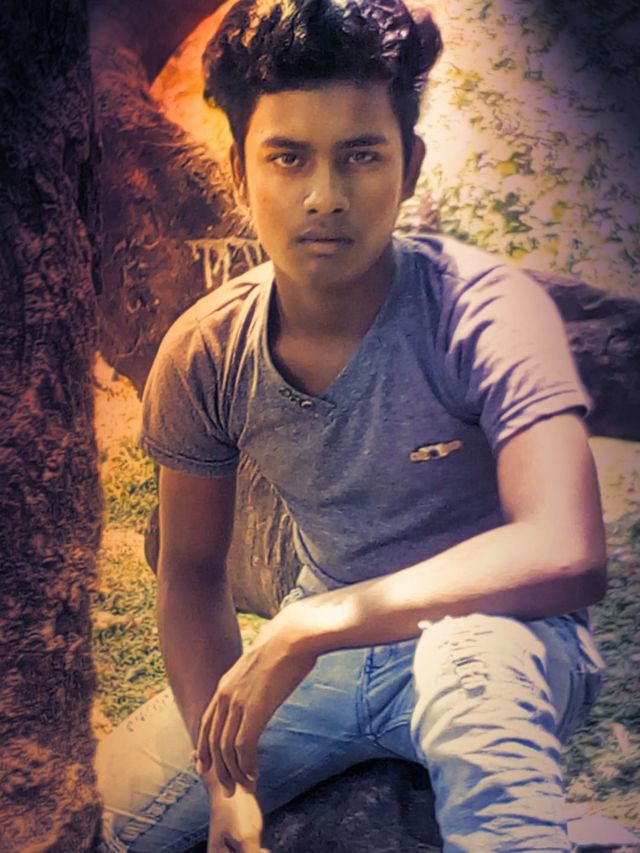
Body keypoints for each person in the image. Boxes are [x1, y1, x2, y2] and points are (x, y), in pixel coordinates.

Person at [96, 1, 607, 850]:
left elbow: (566, 548)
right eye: (288, 157)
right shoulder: (208, 349)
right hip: (326, 667)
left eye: (361, 156)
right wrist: (228, 783)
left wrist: (311, 623)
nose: (324, 196)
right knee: (99, 808)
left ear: (409, 166)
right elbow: (190, 572)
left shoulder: (483, 311)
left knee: (473, 698)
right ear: (238, 172)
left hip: (495, 641)